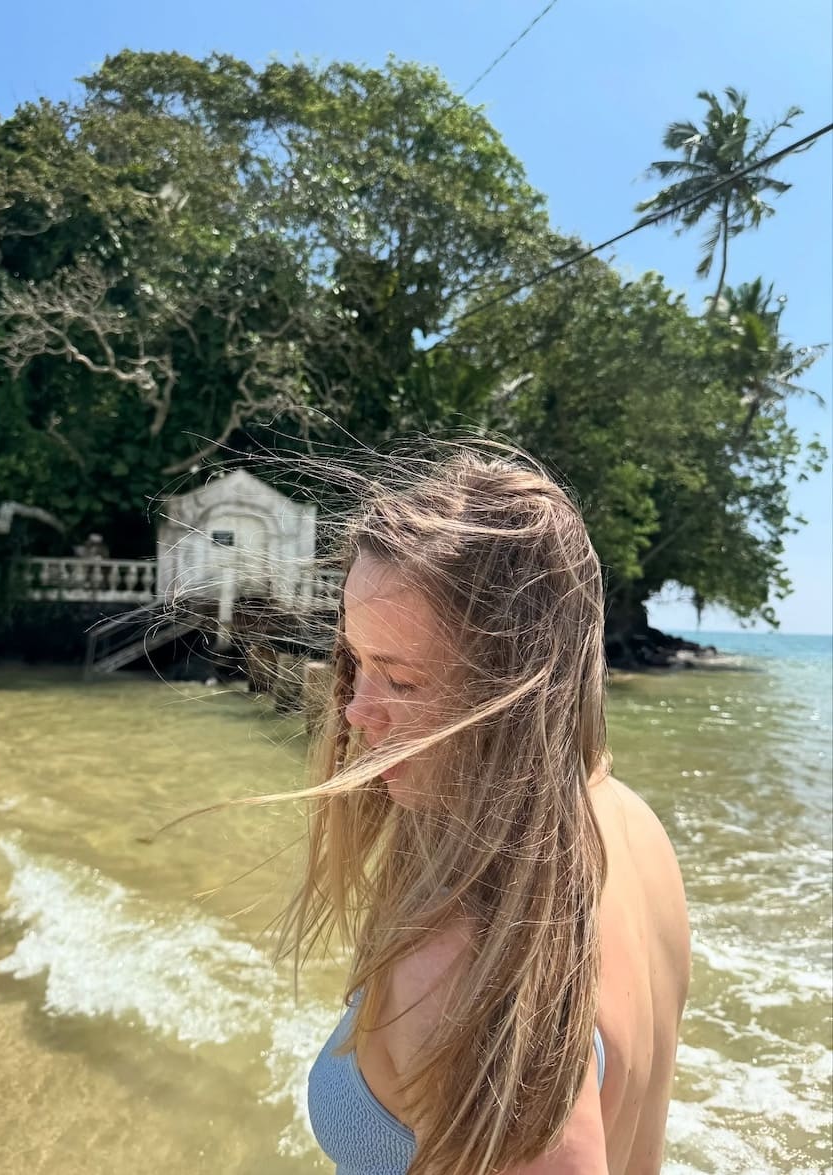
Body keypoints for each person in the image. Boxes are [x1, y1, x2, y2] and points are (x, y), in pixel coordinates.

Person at [274, 446, 690, 1175]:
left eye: (401, 680)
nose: (357, 711)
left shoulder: (462, 966)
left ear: (518, 691)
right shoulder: (633, 825)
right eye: (355, 663)